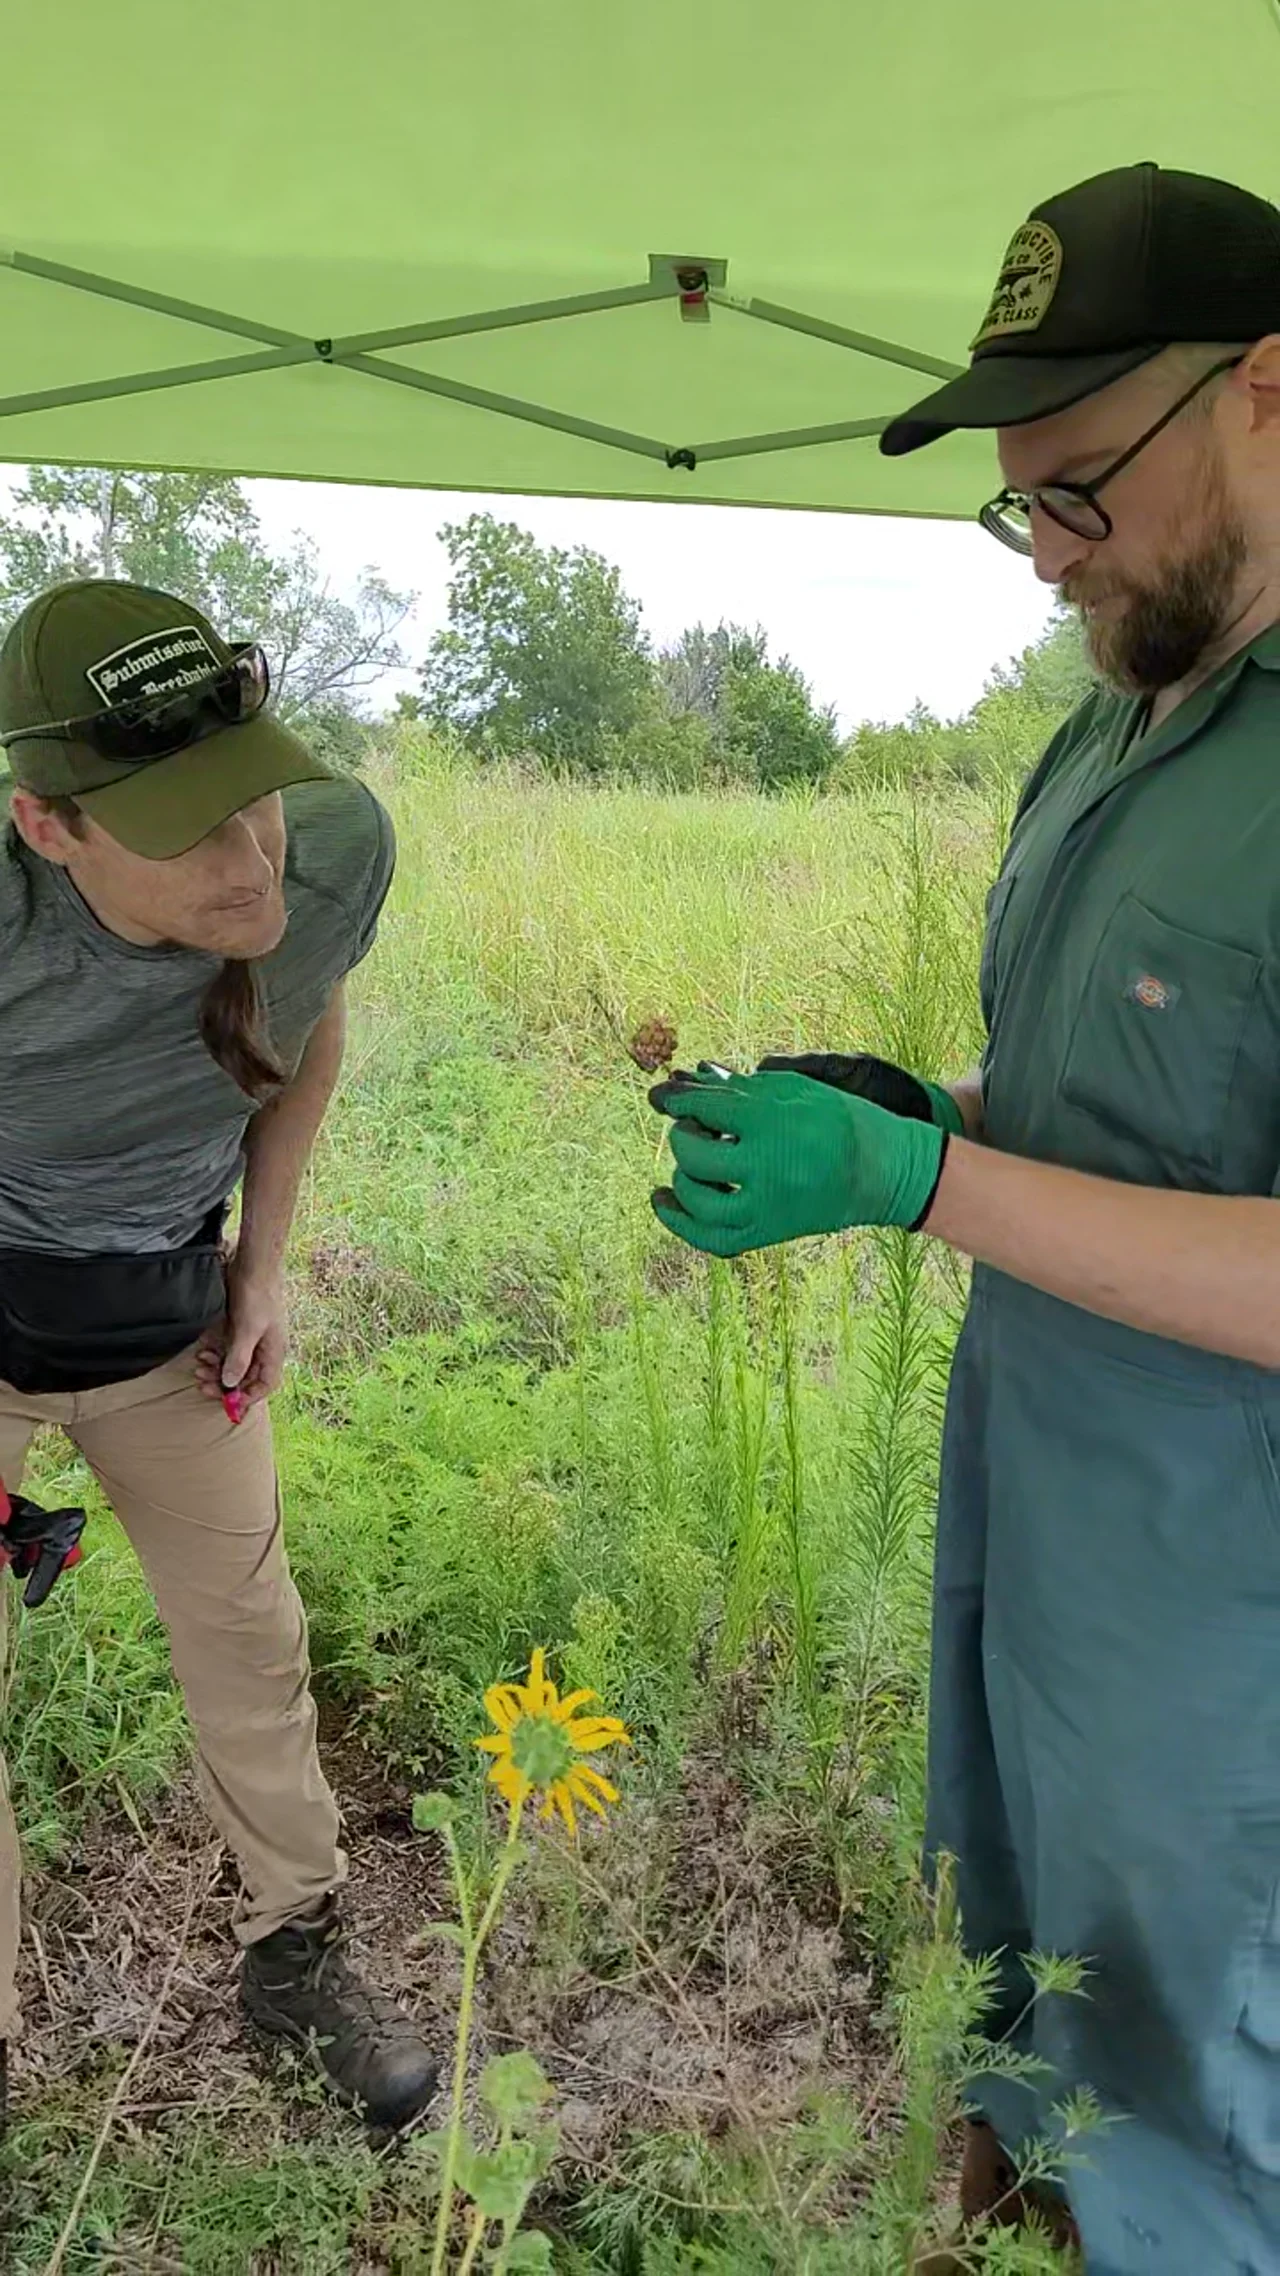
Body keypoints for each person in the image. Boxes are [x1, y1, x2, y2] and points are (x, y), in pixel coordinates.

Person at [648, 162, 1280, 2274]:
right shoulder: (1116, 722)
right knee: (1036, 2053)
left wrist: (926, 1185)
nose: (1044, 564)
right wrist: (912, 1107)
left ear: (1267, 390)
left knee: (1214, 2135)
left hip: (1233, 1657)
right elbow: (1115, 1115)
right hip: (1048, 1573)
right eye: (1019, 507)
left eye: (1081, 491)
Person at [0, 579, 438, 2133]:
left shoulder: (334, 850)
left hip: (165, 1314)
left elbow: (305, 1017)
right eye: (187, 828)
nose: (253, 860)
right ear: (51, 828)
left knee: (252, 1638)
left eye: (250, 793)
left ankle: (296, 1960)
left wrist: (262, 1261)